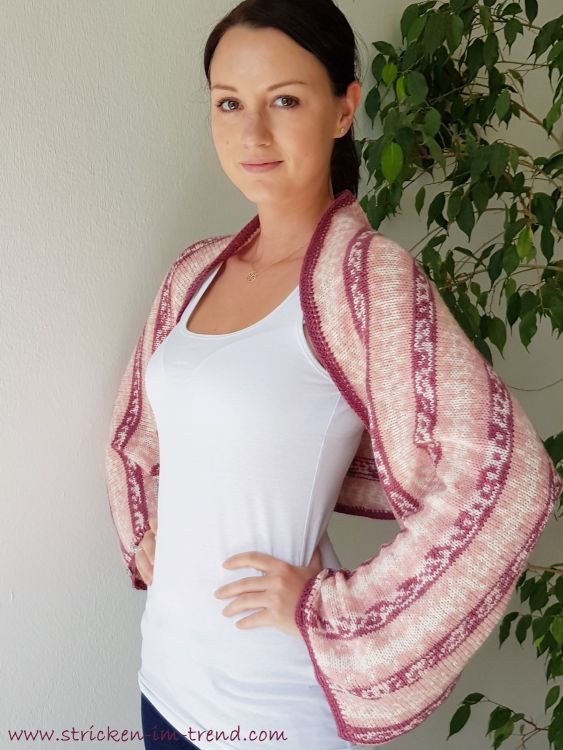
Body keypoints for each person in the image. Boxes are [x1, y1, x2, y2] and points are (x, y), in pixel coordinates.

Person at [105, 1, 562, 749]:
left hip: (273, 709)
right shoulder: (193, 272)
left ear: (344, 110)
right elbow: (137, 433)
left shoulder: (365, 278)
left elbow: (509, 481)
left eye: (285, 100)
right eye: (229, 103)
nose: (251, 133)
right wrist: (143, 530)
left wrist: (338, 612)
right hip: (163, 682)